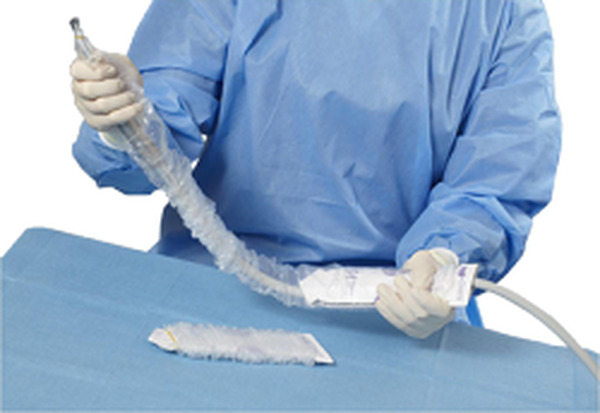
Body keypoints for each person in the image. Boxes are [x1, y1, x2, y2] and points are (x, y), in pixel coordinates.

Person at [70, 0, 561, 338]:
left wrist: (443, 258)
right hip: (218, 286)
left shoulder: (502, 13)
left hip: (399, 307)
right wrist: (124, 120)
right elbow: (156, 134)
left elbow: (499, 177)